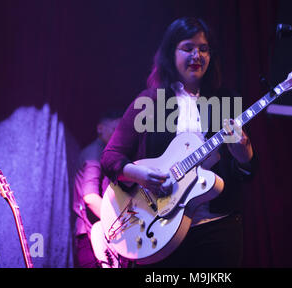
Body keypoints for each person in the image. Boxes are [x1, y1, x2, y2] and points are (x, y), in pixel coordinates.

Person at [100, 17, 256, 268]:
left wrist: (244, 155)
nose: (197, 55)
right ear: (170, 53)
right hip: (160, 230)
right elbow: (110, 158)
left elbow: (246, 173)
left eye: (204, 49)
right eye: (188, 48)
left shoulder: (226, 100)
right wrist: (140, 175)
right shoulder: (149, 102)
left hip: (217, 228)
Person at [73, 110, 122, 268]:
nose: (118, 135)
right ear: (100, 128)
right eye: (114, 129)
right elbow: (90, 197)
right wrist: (122, 225)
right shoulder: (95, 154)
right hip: (91, 238)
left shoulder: (103, 153)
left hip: (96, 235)